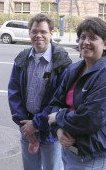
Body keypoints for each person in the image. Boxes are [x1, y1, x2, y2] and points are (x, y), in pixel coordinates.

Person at [8, 13, 72, 170]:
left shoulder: (61, 63)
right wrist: (25, 124)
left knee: (53, 167)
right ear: (29, 32)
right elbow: (13, 92)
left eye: (43, 32)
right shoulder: (22, 58)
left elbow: (60, 100)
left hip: (50, 131)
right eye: (34, 31)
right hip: (26, 128)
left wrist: (36, 124)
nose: (38, 35)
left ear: (52, 33)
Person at [48, 17, 106, 170]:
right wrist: (58, 130)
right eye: (82, 37)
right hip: (68, 151)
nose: (86, 42)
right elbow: (55, 103)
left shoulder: (104, 74)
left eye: (93, 37)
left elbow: (90, 118)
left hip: (90, 156)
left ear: (104, 44)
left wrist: (59, 117)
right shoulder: (74, 69)